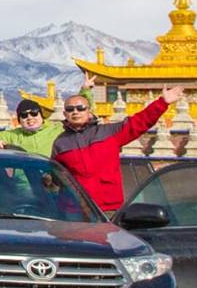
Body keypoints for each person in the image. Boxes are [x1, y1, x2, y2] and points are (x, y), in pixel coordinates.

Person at [52, 85, 183, 217]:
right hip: (75, 211)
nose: (75, 112)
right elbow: (55, 177)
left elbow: (138, 122)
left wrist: (162, 103)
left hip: (109, 210)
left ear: (89, 111)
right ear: (65, 114)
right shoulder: (60, 143)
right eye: (70, 109)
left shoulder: (108, 132)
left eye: (80, 108)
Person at [0, 98, 64, 157]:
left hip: (52, 175)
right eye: (24, 115)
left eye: (34, 113)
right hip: (23, 176)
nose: (29, 117)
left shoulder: (56, 129)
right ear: (19, 120)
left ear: (41, 115)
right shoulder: (13, 135)